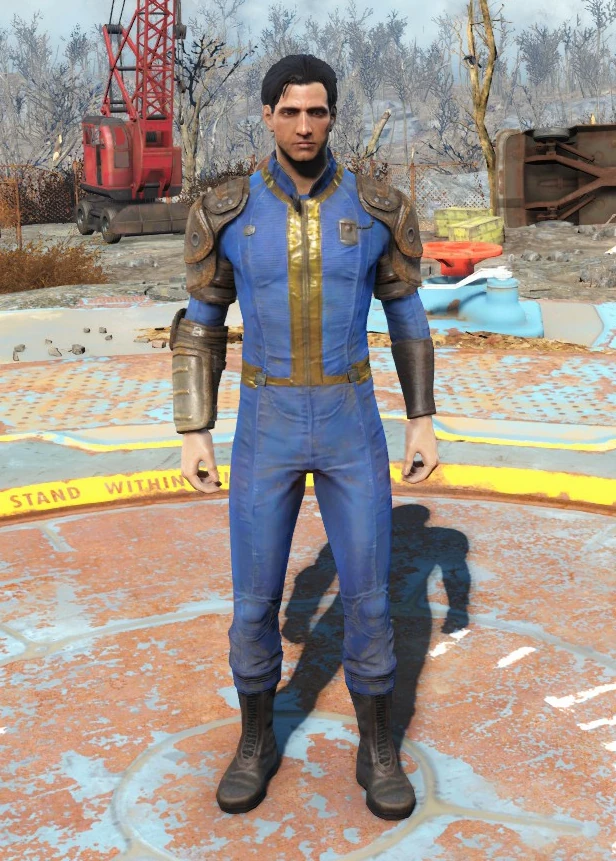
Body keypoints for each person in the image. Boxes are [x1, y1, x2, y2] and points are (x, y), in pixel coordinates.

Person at [169, 54, 439, 821]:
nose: (304, 125)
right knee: (254, 601)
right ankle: (255, 739)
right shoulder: (226, 211)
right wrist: (194, 428)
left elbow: (407, 315)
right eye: (289, 111)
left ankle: (377, 747)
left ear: (332, 115)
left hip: (352, 423)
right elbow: (201, 323)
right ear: (266, 115)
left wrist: (421, 419)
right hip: (267, 427)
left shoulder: (378, 208)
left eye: (316, 111)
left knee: (371, 601)